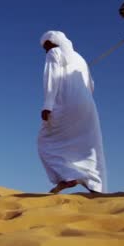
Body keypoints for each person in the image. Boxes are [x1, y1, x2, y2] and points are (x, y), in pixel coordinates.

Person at [37, 30, 107, 194]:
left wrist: (47, 105)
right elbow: (91, 85)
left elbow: (51, 79)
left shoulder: (54, 53)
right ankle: (96, 187)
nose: (46, 50)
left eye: (46, 46)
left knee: (44, 142)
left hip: (65, 104)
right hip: (88, 107)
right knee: (87, 145)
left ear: (53, 42)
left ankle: (67, 176)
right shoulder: (80, 58)